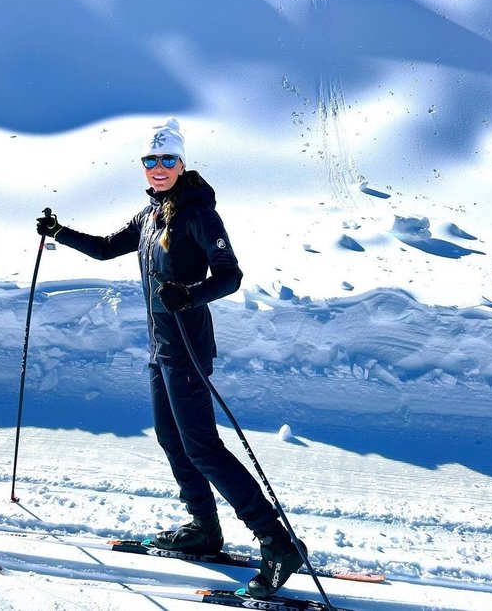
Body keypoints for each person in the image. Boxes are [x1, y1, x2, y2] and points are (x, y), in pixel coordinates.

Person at [36, 118, 306, 599]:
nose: (158, 168)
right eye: (150, 161)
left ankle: (278, 542)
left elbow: (231, 275)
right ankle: (204, 528)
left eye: (167, 160)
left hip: (187, 347)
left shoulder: (199, 214)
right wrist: (60, 232)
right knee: (171, 438)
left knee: (203, 447)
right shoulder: (150, 216)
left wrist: (192, 294)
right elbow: (102, 250)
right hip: (162, 349)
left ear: (183, 164)